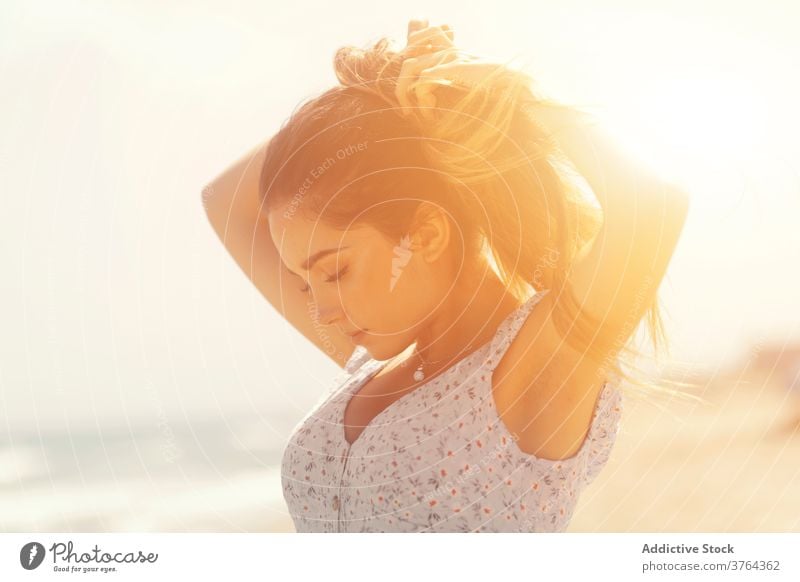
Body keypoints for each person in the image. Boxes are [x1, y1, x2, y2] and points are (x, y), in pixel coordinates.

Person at [203, 19, 690, 532]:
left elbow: (652, 206)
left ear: (429, 235)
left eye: (336, 272)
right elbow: (226, 200)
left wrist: (513, 94)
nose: (320, 309)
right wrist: (381, 92)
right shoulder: (368, 360)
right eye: (306, 282)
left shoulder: (536, 369)